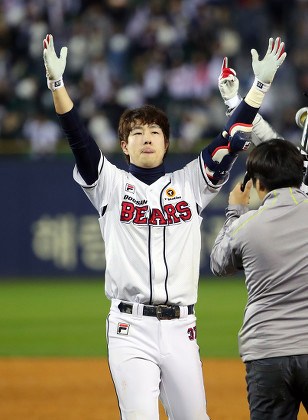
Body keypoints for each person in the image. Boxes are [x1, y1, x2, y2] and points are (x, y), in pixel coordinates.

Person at [42, 33, 285, 420]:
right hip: (129, 327)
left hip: (181, 328)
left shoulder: (191, 183)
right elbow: (78, 138)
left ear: (167, 143)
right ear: (124, 146)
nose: (146, 137)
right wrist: (57, 84)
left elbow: (232, 138)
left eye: (155, 131)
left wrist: (259, 87)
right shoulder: (110, 184)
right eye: (136, 132)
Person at [210, 138, 308, 420]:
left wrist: (234, 212)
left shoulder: (245, 225)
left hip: (267, 352)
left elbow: (219, 265)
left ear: (256, 184)